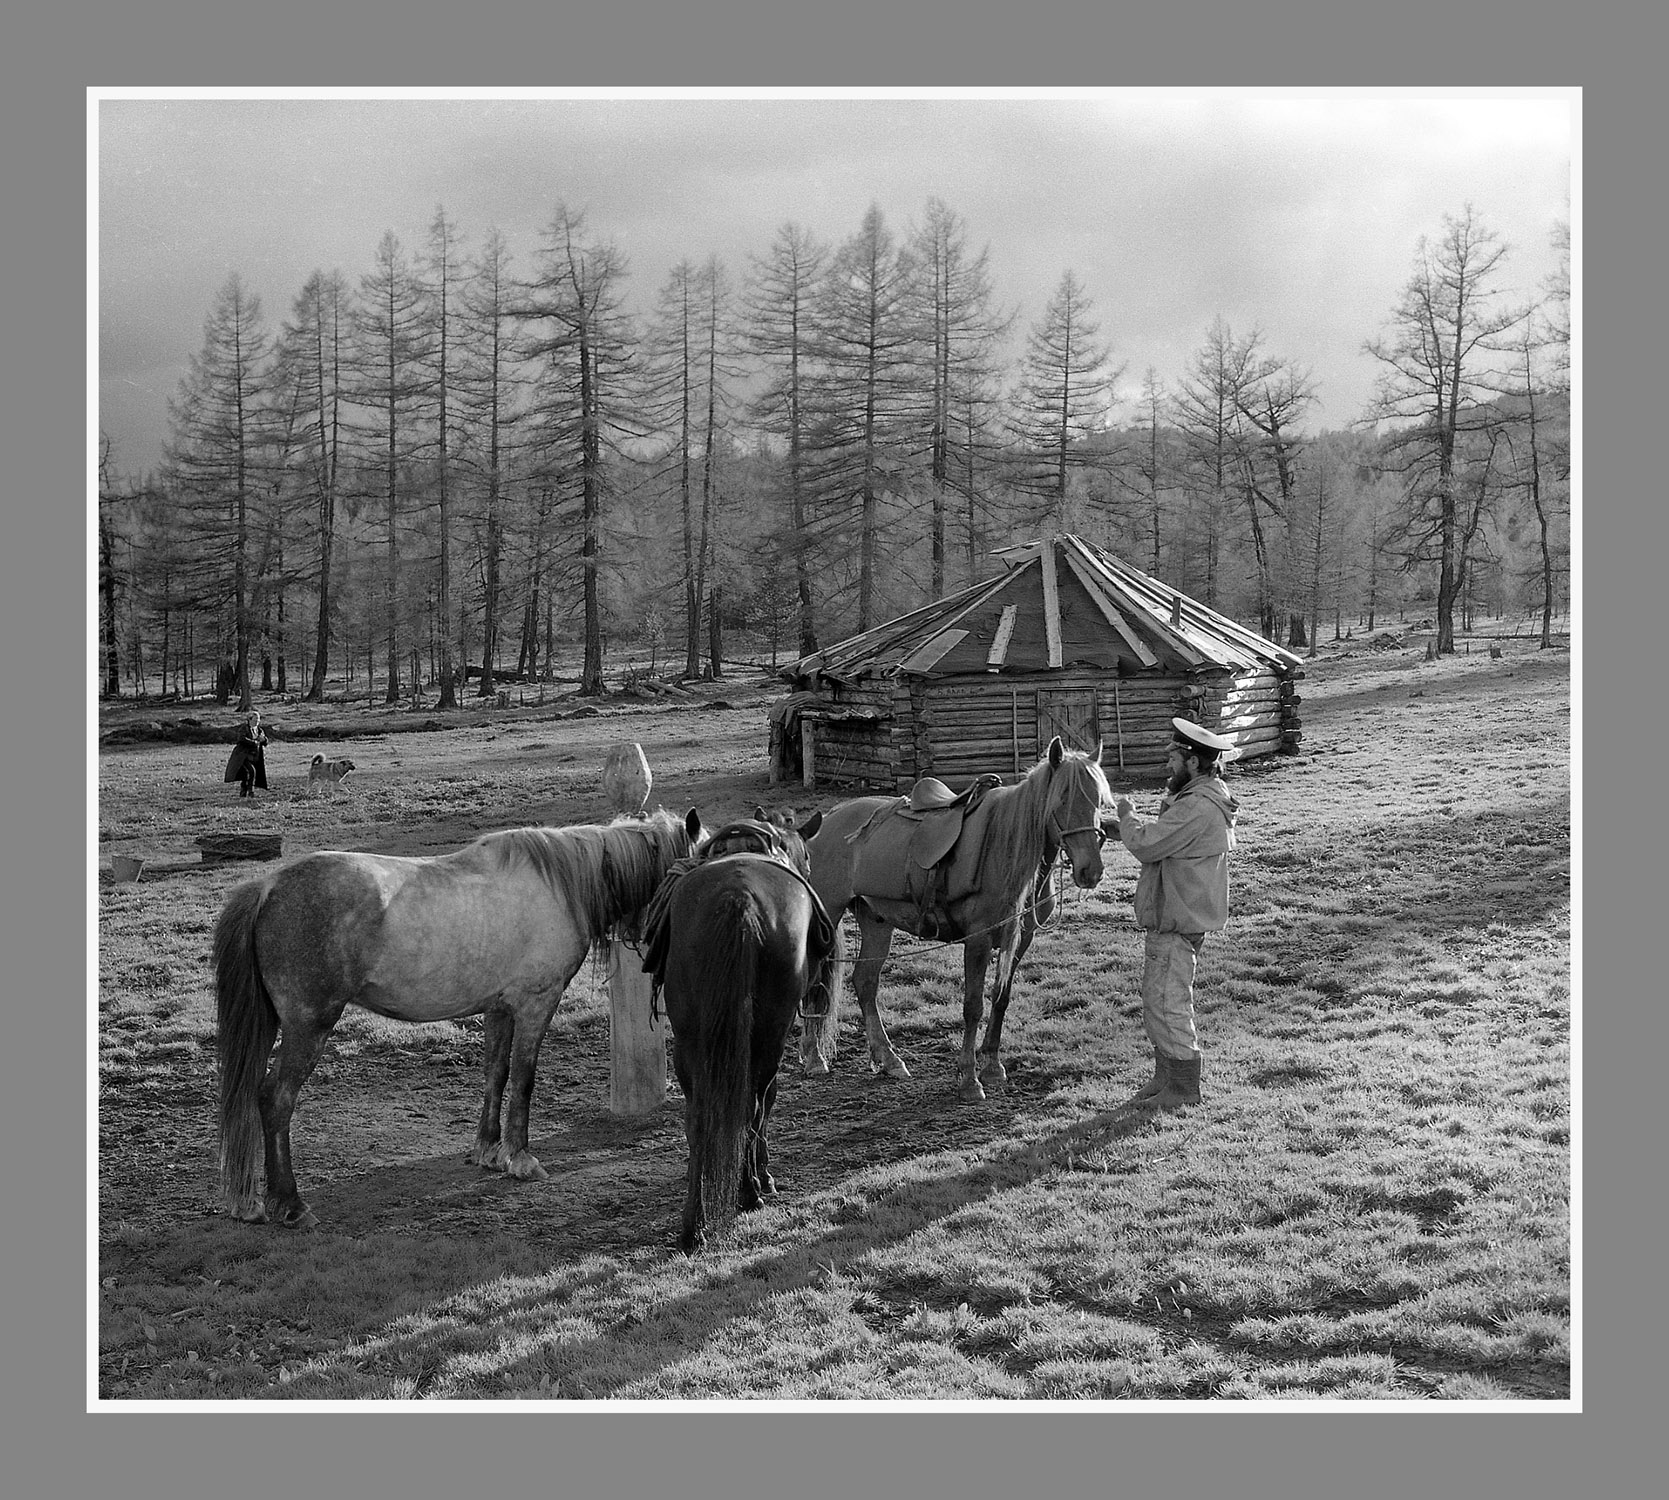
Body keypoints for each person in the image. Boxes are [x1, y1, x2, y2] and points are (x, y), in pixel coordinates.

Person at [1113, 716, 1241, 1111]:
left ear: (1194, 762)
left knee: (1168, 1004)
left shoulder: (1199, 806)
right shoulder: (1199, 798)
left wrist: (1126, 814)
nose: (1167, 765)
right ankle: (1165, 1077)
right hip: (1179, 915)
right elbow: (1166, 839)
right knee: (1159, 1001)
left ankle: (1184, 1089)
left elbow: (1150, 844)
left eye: (1173, 758)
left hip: (1178, 920)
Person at [223, 710, 269, 799]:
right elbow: (241, 739)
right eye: (255, 720)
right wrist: (254, 743)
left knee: (246, 774)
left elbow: (264, 741)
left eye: (258, 720)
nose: (257, 722)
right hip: (242, 755)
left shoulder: (259, 730)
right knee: (251, 771)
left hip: (254, 756)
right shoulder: (244, 729)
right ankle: (251, 791)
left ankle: (243, 791)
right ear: (249, 720)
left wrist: (264, 740)